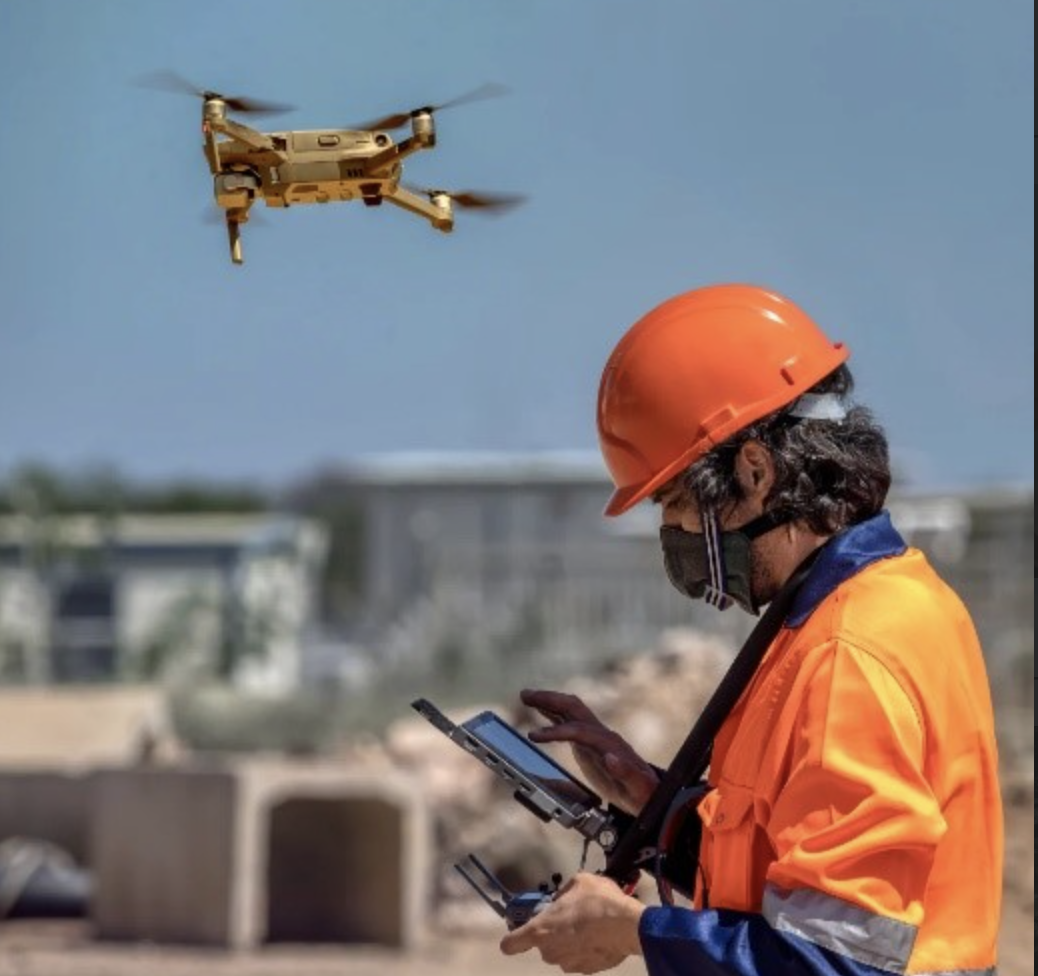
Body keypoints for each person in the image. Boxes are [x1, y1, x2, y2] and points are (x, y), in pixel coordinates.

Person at [499, 283, 1003, 975]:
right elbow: (793, 870)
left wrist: (634, 931)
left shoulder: (845, 656)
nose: (673, 534)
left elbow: (838, 964)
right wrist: (657, 803)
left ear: (755, 470)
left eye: (675, 503)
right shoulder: (882, 600)